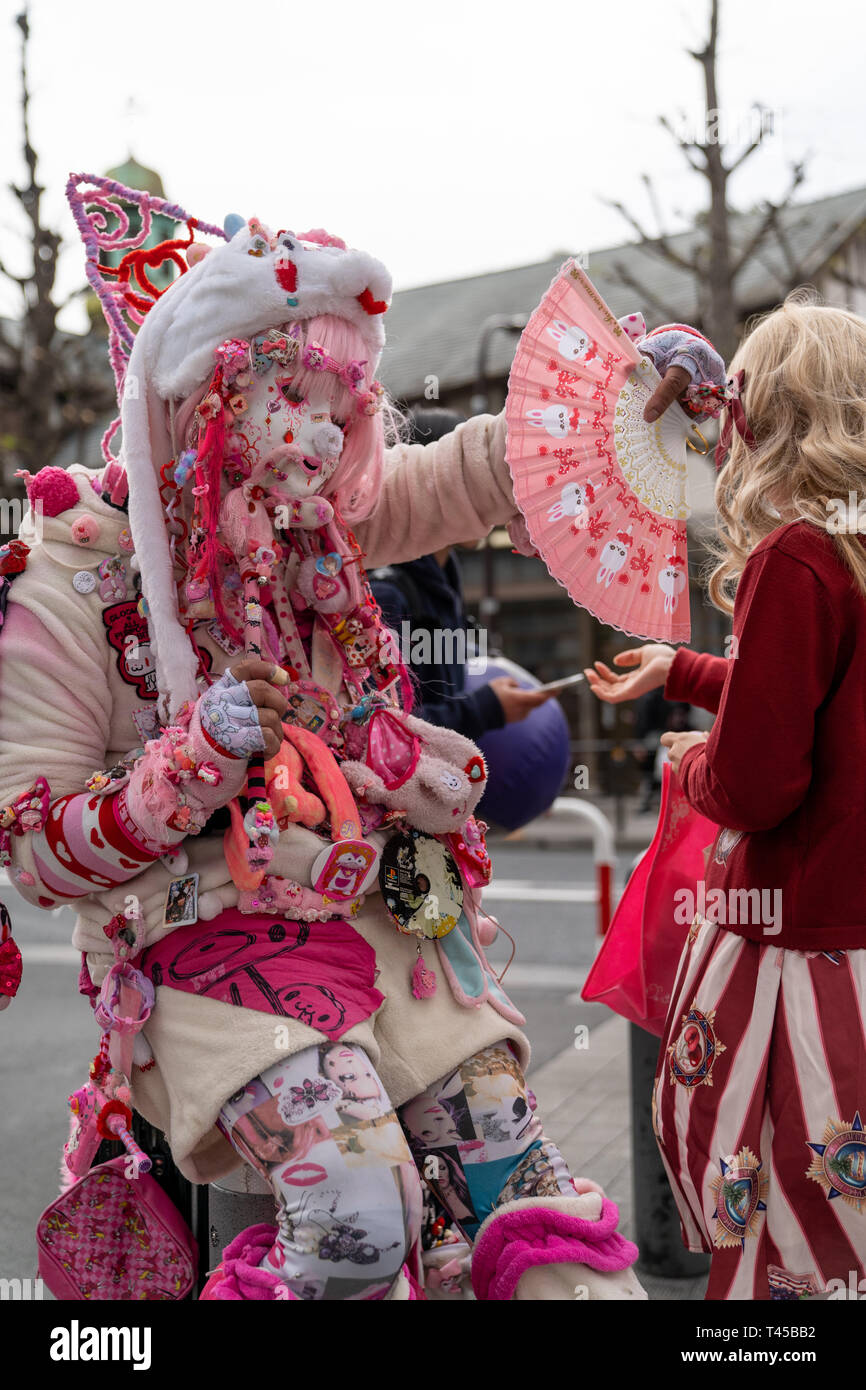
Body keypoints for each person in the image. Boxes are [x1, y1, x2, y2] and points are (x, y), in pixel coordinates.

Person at [0, 177, 699, 1300]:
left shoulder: (308, 515)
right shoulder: (71, 569)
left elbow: (464, 475)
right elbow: (36, 849)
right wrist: (197, 756)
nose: (324, 436)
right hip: (206, 950)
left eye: (342, 403)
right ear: (199, 395)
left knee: (530, 1197)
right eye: (292, 394)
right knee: (357, 1219)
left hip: (390, 921)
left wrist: (615, 414)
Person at [585, 292, 866, 1301]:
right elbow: (832, 711)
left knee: (770, 1241)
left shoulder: (793, 552)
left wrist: (686, 765)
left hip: (799, 948)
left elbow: (755, 783)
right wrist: (689, 672)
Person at [370, 407, 556, 739]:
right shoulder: (385, 596)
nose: (486, 502)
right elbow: (380, 726)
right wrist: (485, 708)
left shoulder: (444, 581)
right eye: (471, 478)